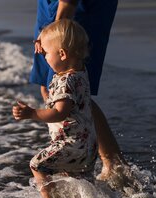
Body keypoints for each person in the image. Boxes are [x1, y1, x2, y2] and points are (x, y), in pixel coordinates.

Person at [12, 19, 98, 198]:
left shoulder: (65, 81)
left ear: (62, 54)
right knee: (82, 183)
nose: (44, 57)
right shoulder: (80, 74)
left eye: (47, 54)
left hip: (71, 143)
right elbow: (67, 102)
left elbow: (60, 112)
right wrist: (47, 93)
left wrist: (32, 113)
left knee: (37, 164)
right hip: (89, 145)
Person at [30, 0, 124, 179]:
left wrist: (31, 114)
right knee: (47, 87)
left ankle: (110, 162)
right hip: (48, 5)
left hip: (79, 7)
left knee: (71, 88)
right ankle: (71, 156)